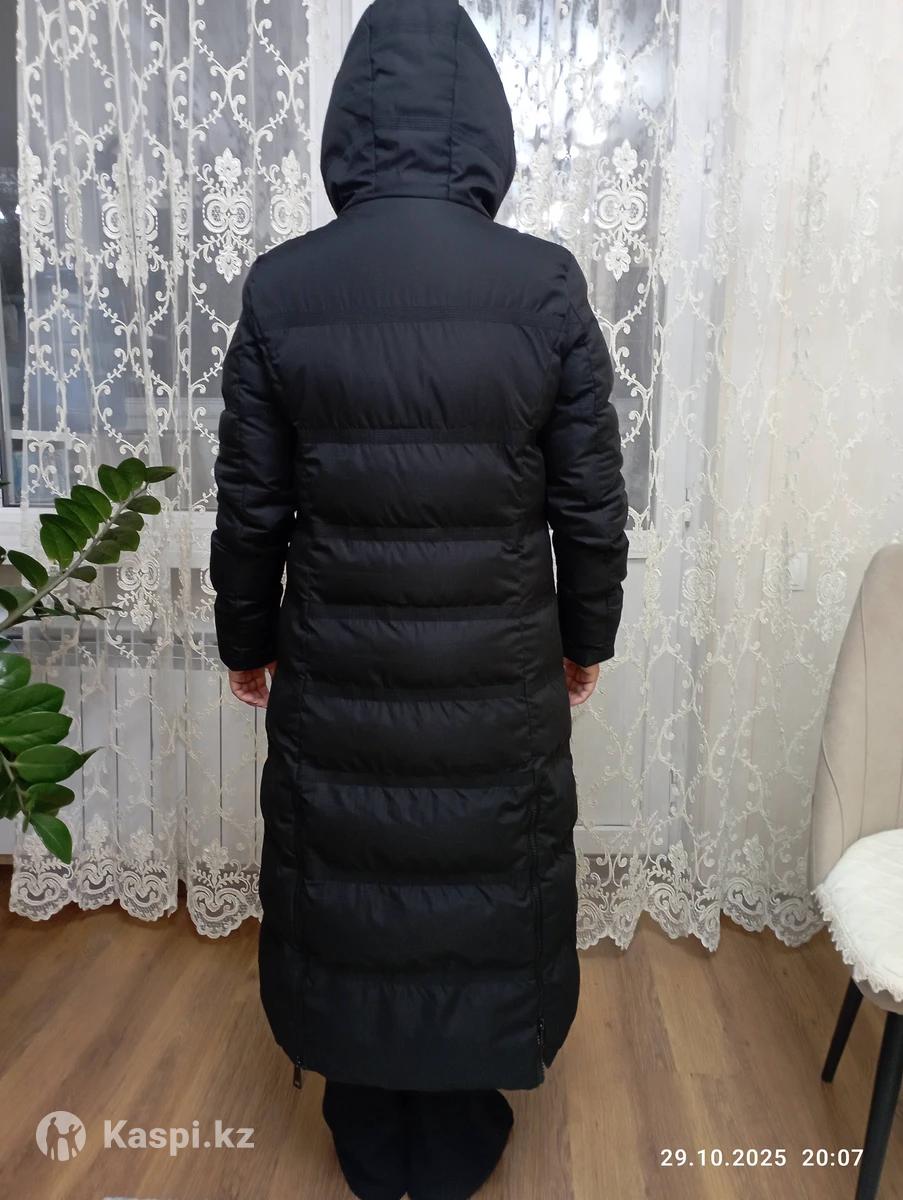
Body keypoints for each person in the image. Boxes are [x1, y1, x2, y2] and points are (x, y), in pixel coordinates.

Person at [209, 0, 629, 1196]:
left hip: (338, 666)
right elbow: (591, 504)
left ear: (349, 127)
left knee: (351, 873)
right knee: (478, 879)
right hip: (497, 671)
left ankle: (366, 1118)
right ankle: (457, 1127)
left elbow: (251, 505)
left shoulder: (284, 289)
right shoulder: (544, 288)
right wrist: (585, 637)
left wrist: (246, 639)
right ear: (484, 128)